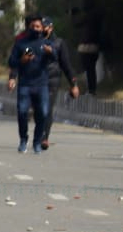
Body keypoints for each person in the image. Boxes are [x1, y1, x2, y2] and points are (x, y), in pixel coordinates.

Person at [8, 14, 56, 154]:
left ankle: (37, 142)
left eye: (38, 27)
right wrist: (20, 63)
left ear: (42, 28)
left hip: (41, 84)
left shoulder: (46, 44)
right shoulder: (21, 43)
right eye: (33, 26)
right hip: (25, 84)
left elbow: (55, 58)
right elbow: (12, 63)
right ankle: (23, 139)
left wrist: (50, 52)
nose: (35, 29)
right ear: (29, 27)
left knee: (43, 112)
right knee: (22, 112)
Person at [37, 16, 79, 150]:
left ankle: (44, 138)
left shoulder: (59, 43)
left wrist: (73, 84)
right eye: (40, 27)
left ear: (51, 28)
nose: (42, 30)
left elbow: (66, 65)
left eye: (45, 28)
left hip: (52, 80)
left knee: (47, 108)